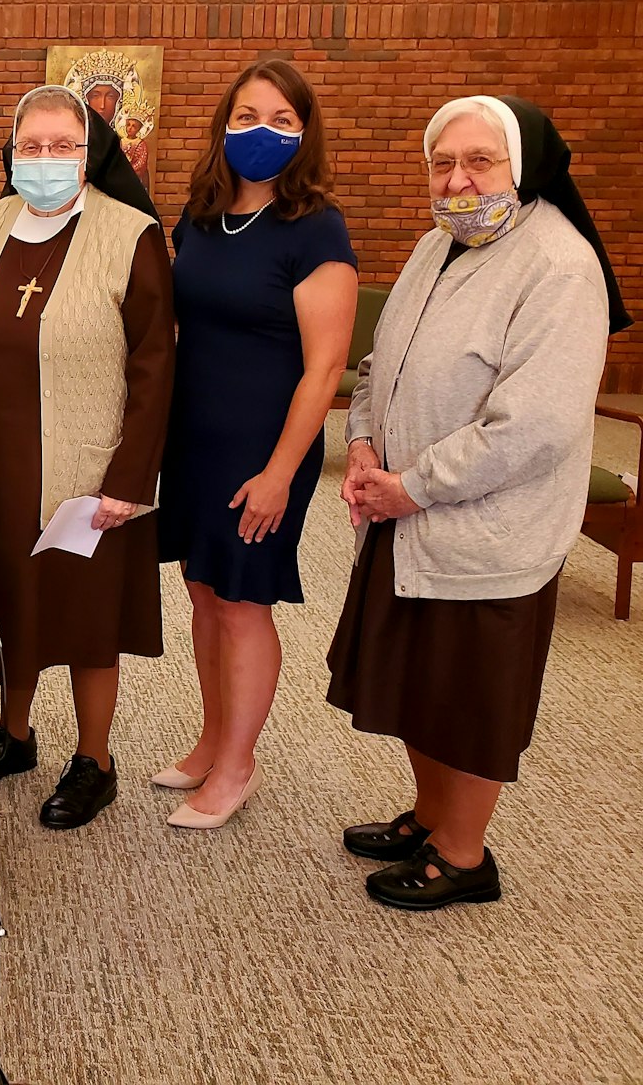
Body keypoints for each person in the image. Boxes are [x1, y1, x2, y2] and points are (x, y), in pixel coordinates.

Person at [328, 95, 629, 911]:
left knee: (466, 698)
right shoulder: (436, 247)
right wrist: (361, 442)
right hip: (403, 515)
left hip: (482, 530)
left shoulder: (559, 267)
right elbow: (379, 364)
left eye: (479, 163)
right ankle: (431, 817)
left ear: (521, 169)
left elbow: (532, 424)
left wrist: (411, 485)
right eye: (442, 164)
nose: (458, 181)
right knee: (416, 683)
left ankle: (463, 854)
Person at [0, 86, 175, 830]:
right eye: (30, 147)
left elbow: (155, 366)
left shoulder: (129, 235)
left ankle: (94, 761)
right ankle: (14, 736)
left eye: (63, 146)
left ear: (91, 154)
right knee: (3, 602)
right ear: (11, 154)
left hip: (84, 466)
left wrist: (130, 479)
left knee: (83, 616)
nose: (45, 160)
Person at [153, 59, 358, 829]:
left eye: (279, 119)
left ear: (303, 131)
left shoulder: (316, 228)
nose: (260, 132)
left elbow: (326, 365)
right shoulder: (200, 218)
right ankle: (212, 741)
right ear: (223, 125)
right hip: (197, 438)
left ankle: (238, 766)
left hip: (266, 444)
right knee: (203, 592)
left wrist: (279, 472)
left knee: (243, 602)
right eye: (246, 116)